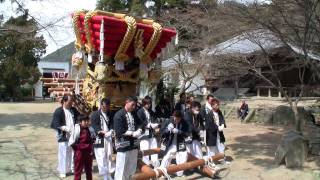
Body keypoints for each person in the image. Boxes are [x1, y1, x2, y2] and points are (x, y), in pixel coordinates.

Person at [113, 96, 143, 180]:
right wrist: (132, 133)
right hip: (123, 144)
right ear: (127, 102)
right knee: (121, 167)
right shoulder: (119, 114)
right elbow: (119, 131)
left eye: (135, 105)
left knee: (132, 165)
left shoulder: (134, 113)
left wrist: (139, 130)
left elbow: (141, 123)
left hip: (134, 144)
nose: (134, 107)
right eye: (132, 105)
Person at [50, 95, 79, 178]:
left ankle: (70, 169)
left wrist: (78, 125)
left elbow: (79, 118)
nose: (71, 104)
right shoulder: (59, 111)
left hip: (73, 134)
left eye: (72, 102)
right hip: (63, 135)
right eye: (69, 102)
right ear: (64, 101)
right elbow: (56, 123)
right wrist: (65, 128)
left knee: (72, 153)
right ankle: (62, 171)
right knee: (63, 153)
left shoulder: (73, 110)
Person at [91, 98, 115, 180]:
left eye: (107, 107)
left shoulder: (110, 114)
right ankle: (105, 175)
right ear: (101, 105)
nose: (106, 108)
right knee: (101, 157)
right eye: (104, 106)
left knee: (109, 156)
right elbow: (95, 127)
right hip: (100, 139)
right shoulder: (95, 114)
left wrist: (111, 130)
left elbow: (112, 124)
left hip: (108, 138)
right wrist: (104, 132)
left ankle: (109, 174)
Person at [160, 110, 189, 177]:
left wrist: (179, 131)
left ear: (181, 118)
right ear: (173, 116)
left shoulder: (184, 122)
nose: (177, 120)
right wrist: (167, 129)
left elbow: (187, 133)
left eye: (178, 119)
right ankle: (162, 173)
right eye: (175, 118)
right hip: (170, 142)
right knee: (167, 157)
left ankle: (179, 173)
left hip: (180, 142)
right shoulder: (168, 121)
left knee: (184, 156)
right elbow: (161, 132)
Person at [68, 115, 95, 180]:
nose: (86, 122)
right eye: (85, 121)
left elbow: (94, 139)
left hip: (88, 152)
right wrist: (77, 149)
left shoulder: (90, 129)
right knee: (78, 171)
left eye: (87, 121)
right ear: (80, 122)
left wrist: (91, 148)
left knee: (89, 170)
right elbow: (71, 142)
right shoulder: (76, 129)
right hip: (79, 153)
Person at [137, 96, 160, 166]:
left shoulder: (151, 111)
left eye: (150, 103)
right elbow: (139, 122)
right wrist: (148, 125)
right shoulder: (140, 112)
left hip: (151, 133)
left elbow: (155, 119)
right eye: (147, 103)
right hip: (144, 134)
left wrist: (155, 124)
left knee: (154, 149)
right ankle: (146, 167)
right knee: (145, 150)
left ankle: (155, 165)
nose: (149, 105)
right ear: (144, 103)